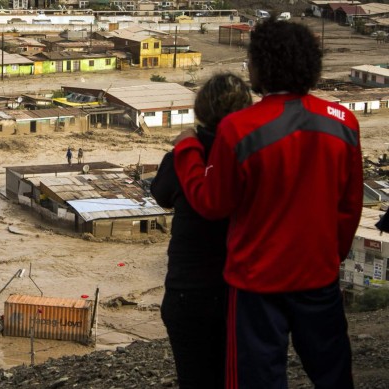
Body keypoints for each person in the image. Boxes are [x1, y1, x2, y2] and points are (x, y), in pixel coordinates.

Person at [173, 19, 363, 389]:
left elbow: (211, 202)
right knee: (333, 370)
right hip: (318, 277)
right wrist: (329, 256)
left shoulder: (239, 128)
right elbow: (349, 206)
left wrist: (186, 151)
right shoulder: (344, 123)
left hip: (256, 283)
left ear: (263, 66)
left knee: (257, 377)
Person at [151, 73, 252, 389]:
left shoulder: (183, 155)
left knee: (193, 378)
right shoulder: (254, 154)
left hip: (187, 292)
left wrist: (185, 146)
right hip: (239, 292)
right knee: (233, 376)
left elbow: (160, 193)